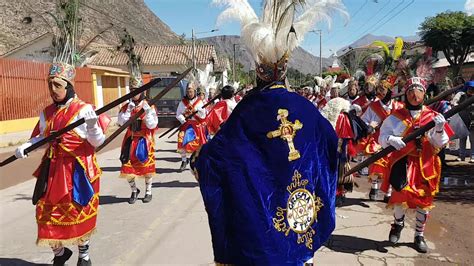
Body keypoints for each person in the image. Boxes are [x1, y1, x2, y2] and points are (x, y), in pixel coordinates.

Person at [190, 0, 346, 264]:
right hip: (301, 208)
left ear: (258, 71)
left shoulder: (247, 110)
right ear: (285, 69)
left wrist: (199, 158)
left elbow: (218, 156)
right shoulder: (305, 108)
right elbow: (331, 144)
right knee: (300, 248)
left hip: (262, 225)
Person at [15, 62, 109, 265]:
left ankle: (84, 255)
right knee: (45, 214)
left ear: (69, 86)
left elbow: (98, 142)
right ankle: (60, 253)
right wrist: (26, 146)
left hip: (78, 170)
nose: (53, 90)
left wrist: (93, 126)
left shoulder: (84, 110)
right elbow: (41, 138)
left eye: (58, 85)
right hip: (53, 169)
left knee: (78, 211)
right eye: (50, 85)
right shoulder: (47, 113)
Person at [378, 77, 453, 253]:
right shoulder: (395, 117)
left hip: (426, 164)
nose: (414, 93)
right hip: (402, 163)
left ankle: (419, 235)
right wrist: (390, 139)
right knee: (400, 197)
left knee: (423, 201)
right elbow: (381, 138)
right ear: (406, 94)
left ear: (424, 93)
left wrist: (440, 129)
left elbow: (440, 143)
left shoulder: (433, 117)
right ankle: (397, 225)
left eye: (418, 89)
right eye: (410, 90)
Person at [360, 79, 404, 201]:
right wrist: (369, 126)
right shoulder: (373, 107)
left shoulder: (399, 107)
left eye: (383, 90)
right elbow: (364, 119)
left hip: (393, 139)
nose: (380, 93)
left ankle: (388, 192)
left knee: (391, 165)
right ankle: (374, 187)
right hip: (378, 138)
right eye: (378, 90)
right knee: (377, 163)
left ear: (390, 91)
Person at [117, 75, 158, 204]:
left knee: (146, 167)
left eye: (137, 90)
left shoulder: (149, 106)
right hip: (130, 139)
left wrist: (147, 113)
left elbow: (152, 125)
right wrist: (128, 111)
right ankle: (134, 190)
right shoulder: (126, 107)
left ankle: (148, 191)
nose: (134, 93)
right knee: (127, 167)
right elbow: (120, 122)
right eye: (132, 90)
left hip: (144, 139)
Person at [176, 83, 207, 171]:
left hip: (196, 125)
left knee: (197, 144)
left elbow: (203, 115)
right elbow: (178, 114)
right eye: (188, 91)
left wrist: (197, 111)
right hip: (186, 124)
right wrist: (183, 119)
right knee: (181, 141)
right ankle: (184, 160)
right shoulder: (182, 102)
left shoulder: (199, 102)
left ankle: (196, 161)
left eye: (191, 91)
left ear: (194, 91)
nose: (190, 93)